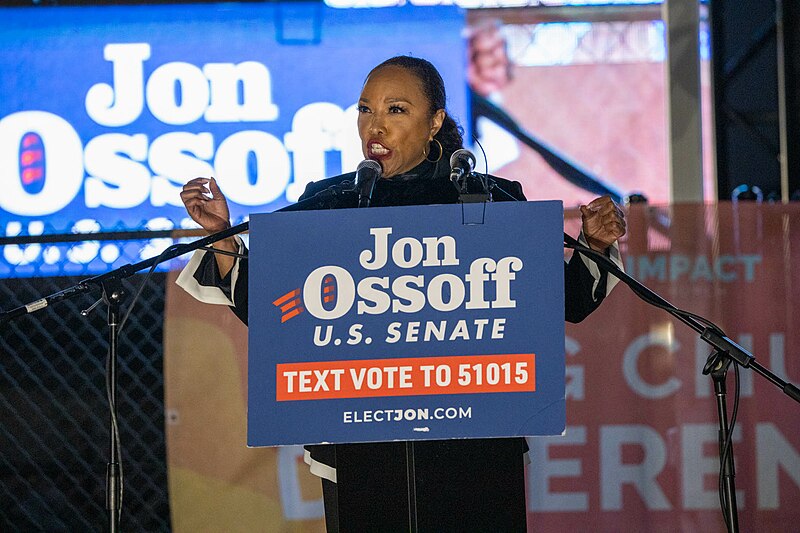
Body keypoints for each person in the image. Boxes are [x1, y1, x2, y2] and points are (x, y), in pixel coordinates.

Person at [177, 55, 625, 531]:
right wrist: (223, 236)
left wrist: (594, 244)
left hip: (474, 452)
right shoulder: (328, 203)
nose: (375, 127)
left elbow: (568, 301)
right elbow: (277, 314)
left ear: (434, 122)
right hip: (362, 455)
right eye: (365, 110)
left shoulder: (489, 200)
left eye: (396, 110)